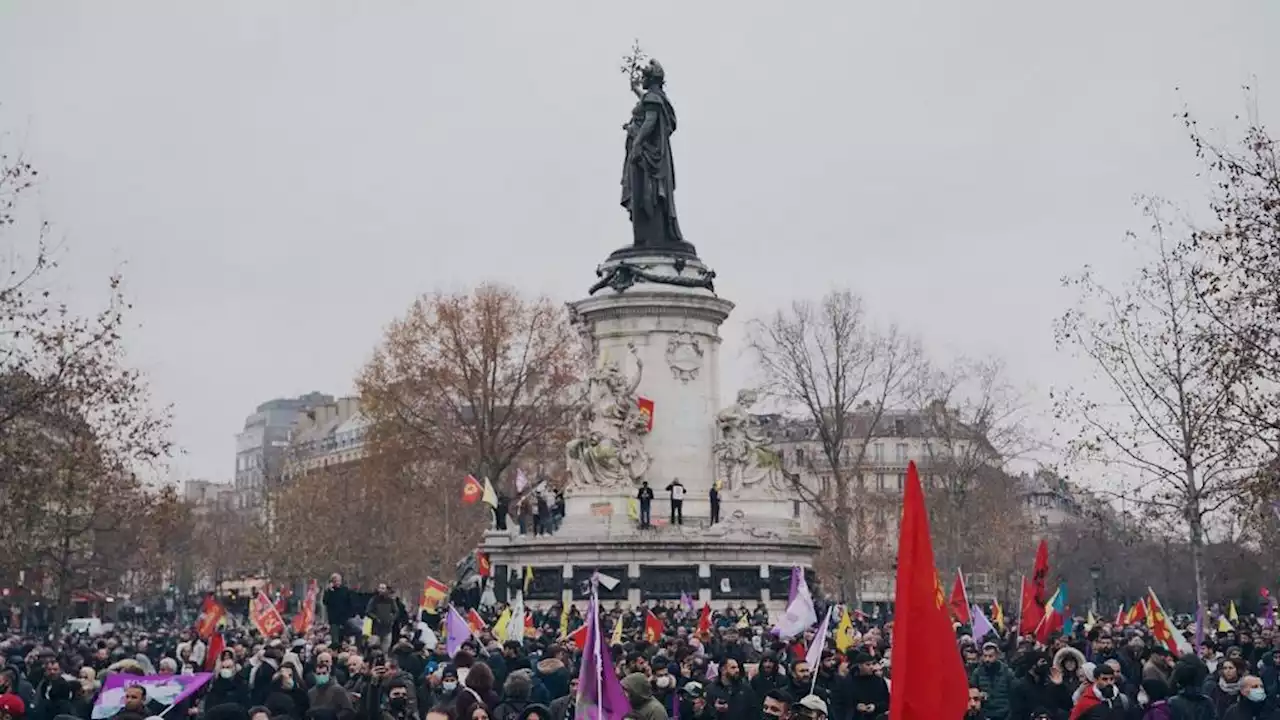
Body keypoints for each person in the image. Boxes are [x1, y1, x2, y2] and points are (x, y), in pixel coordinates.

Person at [324, 575, 356, 646]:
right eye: (335, 581)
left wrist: (350, 615)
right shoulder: (329, 591)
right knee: (335, 641)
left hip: (345, 619)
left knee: (357, 632)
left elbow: (350, 603)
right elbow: (325, 602)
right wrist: (329, 591)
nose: (337, 583)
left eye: (339, 581)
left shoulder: (345, 590)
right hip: (334, 620)